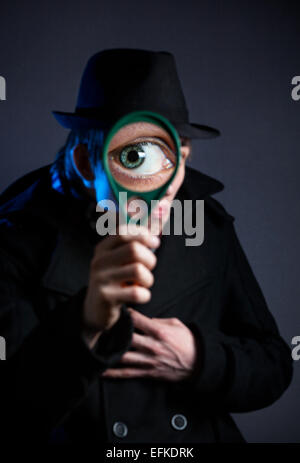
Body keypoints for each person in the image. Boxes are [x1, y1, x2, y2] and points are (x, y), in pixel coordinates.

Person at [0, 49, 293, 444]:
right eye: (136, 156)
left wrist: (199, 360)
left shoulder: (205, 222)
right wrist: (85, 321)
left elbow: (274, 364)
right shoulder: (15, 234)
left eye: (178, 156)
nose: (169, 190)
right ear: (87, 163)